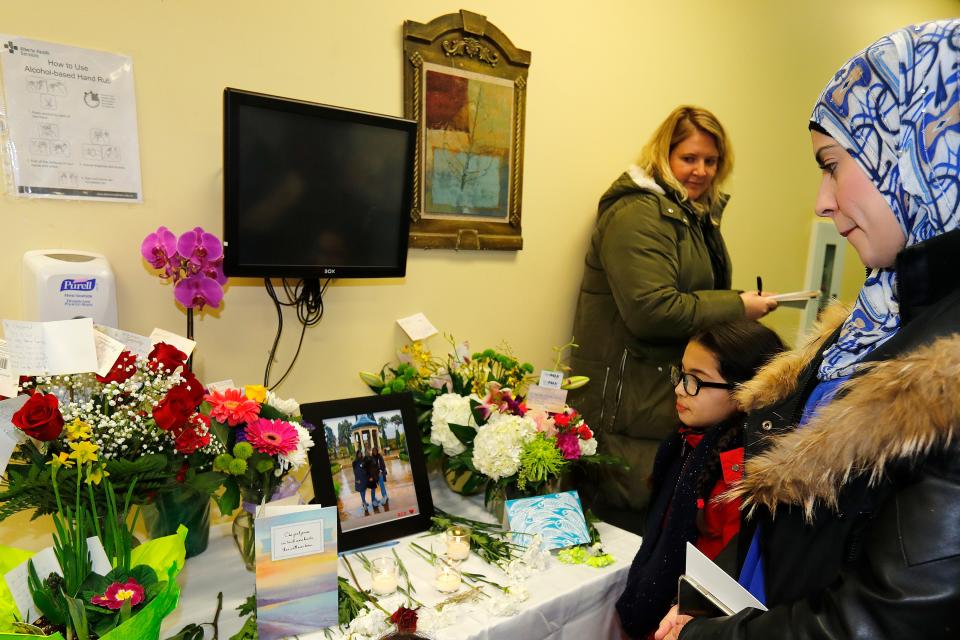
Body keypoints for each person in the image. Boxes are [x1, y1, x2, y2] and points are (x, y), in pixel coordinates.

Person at [656, 18, 960, 640]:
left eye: (832, 164)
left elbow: (881, 622)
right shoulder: (877, 316)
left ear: (914, 153)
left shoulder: (944, 366)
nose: (821, 202)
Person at [570, 105, 778, 532]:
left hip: (661, 400)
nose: (700, 171)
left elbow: (688, 295)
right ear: (664, 156)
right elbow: (651, 310)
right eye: (689, 158)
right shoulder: (639, 215)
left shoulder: (692, 214)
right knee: (627, 537)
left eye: (711, 160)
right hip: (631, 405)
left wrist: (738, 303)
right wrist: (739, 307)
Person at [617, 320, 785, 639]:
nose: (680, 388)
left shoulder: (743, 477)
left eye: (696, 380)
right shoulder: (685, 443)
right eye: (681, 373)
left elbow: (720, 585)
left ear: (745, 392)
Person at [352, 448, 370, 513]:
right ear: (357, 455)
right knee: (361, 490)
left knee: (364, 489)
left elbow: (366, 467)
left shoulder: (363, 460)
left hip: (364, 478)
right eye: (358, 454)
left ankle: (363, 501)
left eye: (360, 453)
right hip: (359, 478)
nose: (360, 454)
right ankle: (364, 503)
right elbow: (354, 471)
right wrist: (357, 479)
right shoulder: (354, 462)